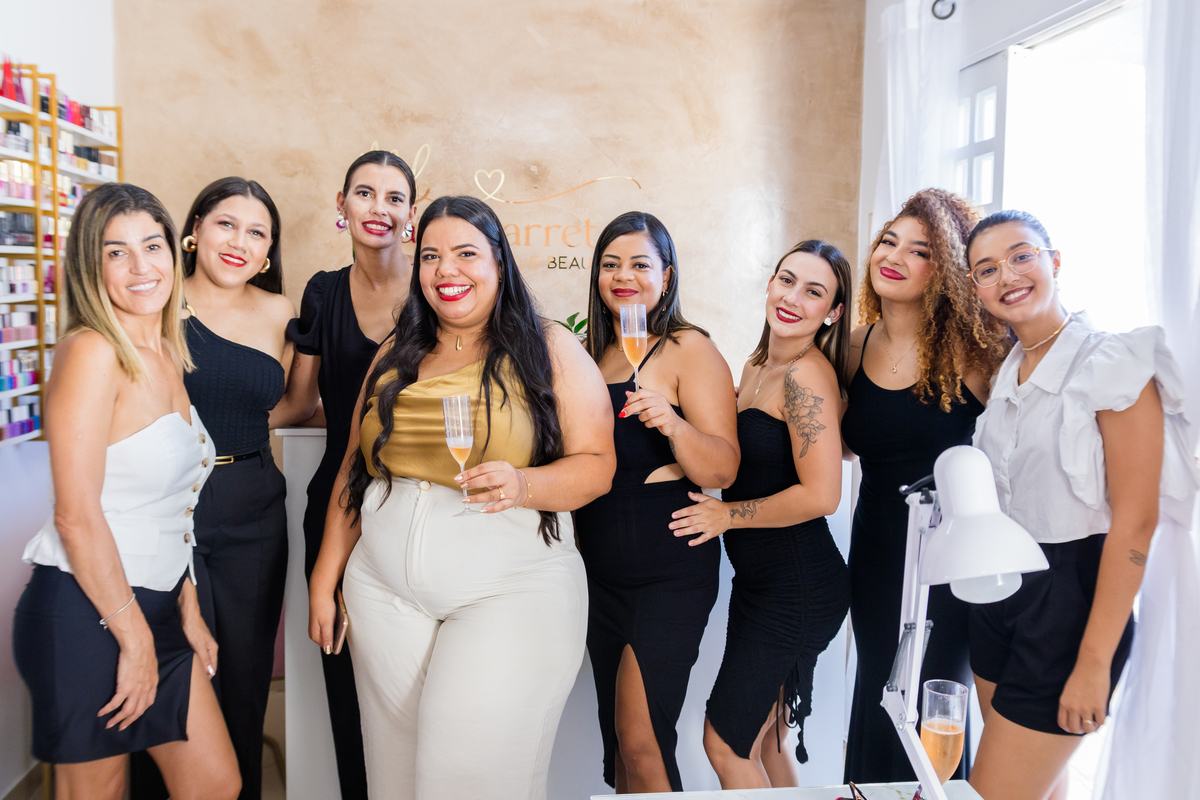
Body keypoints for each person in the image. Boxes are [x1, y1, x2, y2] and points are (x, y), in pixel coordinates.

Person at [308, 195, 615, 800]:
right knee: (394, 784)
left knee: (467, 780)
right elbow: (353, 468)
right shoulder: (395, 352)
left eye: (466, 253)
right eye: (430, 256)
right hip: (383, 595)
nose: (446, 270)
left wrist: (525, 484)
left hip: (508, 592)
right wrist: (325, 578)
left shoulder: (548, 347)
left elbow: (598, 466)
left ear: (499, 262)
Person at [13, 182, 240, 800]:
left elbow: (171, 506)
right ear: (91, 267)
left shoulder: (165, 351)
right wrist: (134, 638)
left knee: (216, 784)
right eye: (117, 252)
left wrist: (186, 608)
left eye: (152, 246)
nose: (142, 267)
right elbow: (76, 515)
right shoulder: (91, 352)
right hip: (88, 615)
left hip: (159, 609)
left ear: (173, 252)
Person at [965, 210, 1197, 800]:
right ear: (976, 288)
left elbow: (1137, 522)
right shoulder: (1007, 372)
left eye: (1021, 255)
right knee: (1039, 787)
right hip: (997, 597)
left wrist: (1094, 663)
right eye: (987, 269)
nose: (1007, 276)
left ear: (1054, 261)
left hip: (1069, 605)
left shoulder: (1112, 361)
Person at [840, 188, 1010, 783]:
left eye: (921, 251)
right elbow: (844, 443)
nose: (895, 257)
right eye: (889, 241)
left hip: (949, 557)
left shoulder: (977, 353)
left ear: (948, 272)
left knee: (931, 702)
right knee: (877, 688)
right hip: (875, 551)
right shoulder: (852, 345)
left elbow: (1017, 447)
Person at [673, 239, 852, 789]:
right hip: (763, 584)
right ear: (771, 283)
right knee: (763, 742)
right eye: (787, 280)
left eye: (814, 292)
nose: (793, 298)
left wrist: (727, 516)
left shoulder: (805, 377)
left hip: (797, 589)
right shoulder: (757, 364)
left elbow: (822, 495)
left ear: (833, 313)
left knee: (724, 743)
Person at [574, 211, 739, 793]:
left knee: (643, 742)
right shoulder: (589, 355)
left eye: (640, 264)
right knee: (620, 748)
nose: (624, 276)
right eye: (611, 264)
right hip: (599, 573)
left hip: (669, 570)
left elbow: (722, 467)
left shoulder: (689, 348)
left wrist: (672, 423)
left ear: (666, 276)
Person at [275, 150, 418, 798]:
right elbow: (299, 402)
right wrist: (210, 427)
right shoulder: (323, 292)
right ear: (342, 204)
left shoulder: (437, 289)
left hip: (418, 507)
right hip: (336, 502)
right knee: (343, 676)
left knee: (413, 680)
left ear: (411, 213)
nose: (378, 208)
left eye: (394, 197)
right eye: (365, 193)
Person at [179, 177, 294, 799]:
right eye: (226, 223)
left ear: (269, 251)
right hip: (172, 507)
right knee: (176, 667)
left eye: (257, 232)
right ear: (195, 229)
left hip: (254, 505)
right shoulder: (157, 297)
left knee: (244, 676)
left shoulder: (279, 312)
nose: (239, 242)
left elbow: (294, 403)